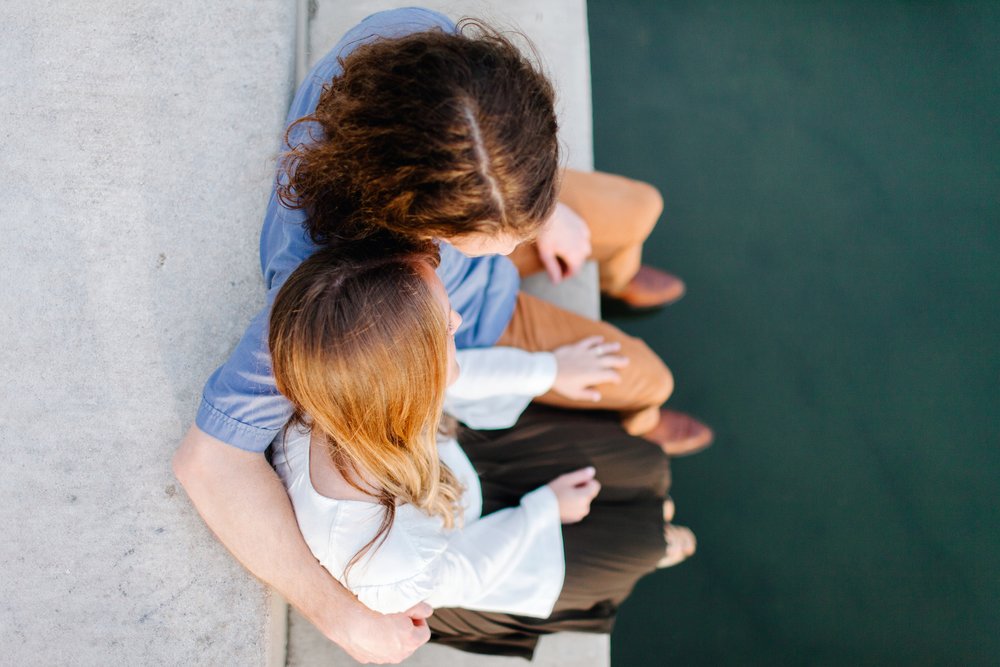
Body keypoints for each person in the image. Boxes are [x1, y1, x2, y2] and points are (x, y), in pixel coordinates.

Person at [174, 8, 707, 662]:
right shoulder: (329, 282)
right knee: (648, 379)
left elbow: (494, 186)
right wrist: (338, 614)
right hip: (474, 329)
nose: (513, 246)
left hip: (489, 187)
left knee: (639, 207)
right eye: (491, 239)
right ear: (407, 218)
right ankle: (637, 417)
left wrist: (537, 207)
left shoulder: (413, 41)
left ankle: (615, 272)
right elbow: (209, 461)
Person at [267, 240, 696, 659]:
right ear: (409, 374)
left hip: (457, 458)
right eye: (445, 326)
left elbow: (459, 376)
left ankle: (654, 506)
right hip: (468, 547)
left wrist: (550, 371)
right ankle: (656, 532)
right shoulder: (387, 559)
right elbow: (469, 572)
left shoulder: (350, 379)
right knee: (642, 542)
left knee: (647, 462)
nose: (456, 318)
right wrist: (544, 508)